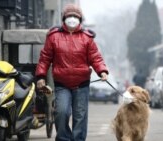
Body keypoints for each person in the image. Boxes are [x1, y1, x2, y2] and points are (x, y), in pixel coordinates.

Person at [35, 3, 109, 141]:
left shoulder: (87, 38)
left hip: (82, 84)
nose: (72, 19)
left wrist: (102, 71)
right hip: (61, 84)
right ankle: (64, 138)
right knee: (61, 112)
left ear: (80, 19)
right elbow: (44, 58)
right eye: (69, 16)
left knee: (80, 116)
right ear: (64, 18)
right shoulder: (53, 36)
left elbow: (96, 57)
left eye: (75, 16)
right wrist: (40, 76)